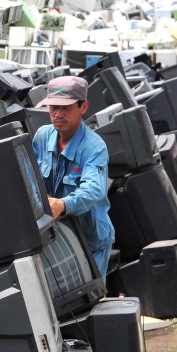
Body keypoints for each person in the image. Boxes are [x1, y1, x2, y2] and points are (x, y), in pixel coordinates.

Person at [32, 75, 115, 278]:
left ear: (83, 107)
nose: (58, 114)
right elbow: (30, 178)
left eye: (66, 108)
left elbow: (94, 189)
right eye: (53, 107)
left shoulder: (95, 147)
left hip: (91, 239)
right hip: (60, 237)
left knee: (90, 300)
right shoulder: (42, 136)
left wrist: (62, 204)